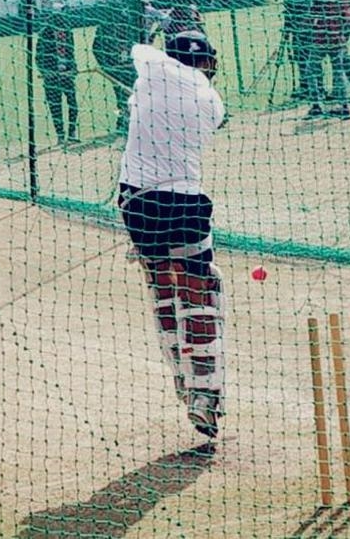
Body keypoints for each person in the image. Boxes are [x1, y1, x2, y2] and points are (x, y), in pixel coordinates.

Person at [117, 31, 227, 438]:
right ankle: (205, 391)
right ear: (205, 64)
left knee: (162, 282)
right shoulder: (210, 102)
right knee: (200, 284)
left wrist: (152, 27)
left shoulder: (146, 70)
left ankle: (182, 379)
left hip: (135, 202)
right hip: (182, 198)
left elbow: (139, 47)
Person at [92, 0, 166, 133]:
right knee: (122, 94)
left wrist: (152, 36)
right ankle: (125, 123)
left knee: (141, 90)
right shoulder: (110, 25)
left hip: (135, 61)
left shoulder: (135, 16)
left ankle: (143, 121)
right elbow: (97, 48)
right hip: (118, 66)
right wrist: (108, 65)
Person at [304, 0, 350, 119]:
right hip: (338, 36)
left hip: (322, 36)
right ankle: (344, 105)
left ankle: (316, 105)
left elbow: (313, 12)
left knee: (311, 69)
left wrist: (307, 27)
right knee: (339, 69)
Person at [36, 7, 78, 144]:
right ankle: (60, 135)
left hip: (67, 74)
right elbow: (38, 57)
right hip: (52, 77)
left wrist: (73, 68)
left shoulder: (68, 32)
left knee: (73, 103)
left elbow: (71, 53)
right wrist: (45, 72)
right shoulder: (44, 34)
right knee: (55, 106)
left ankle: (72, 132)